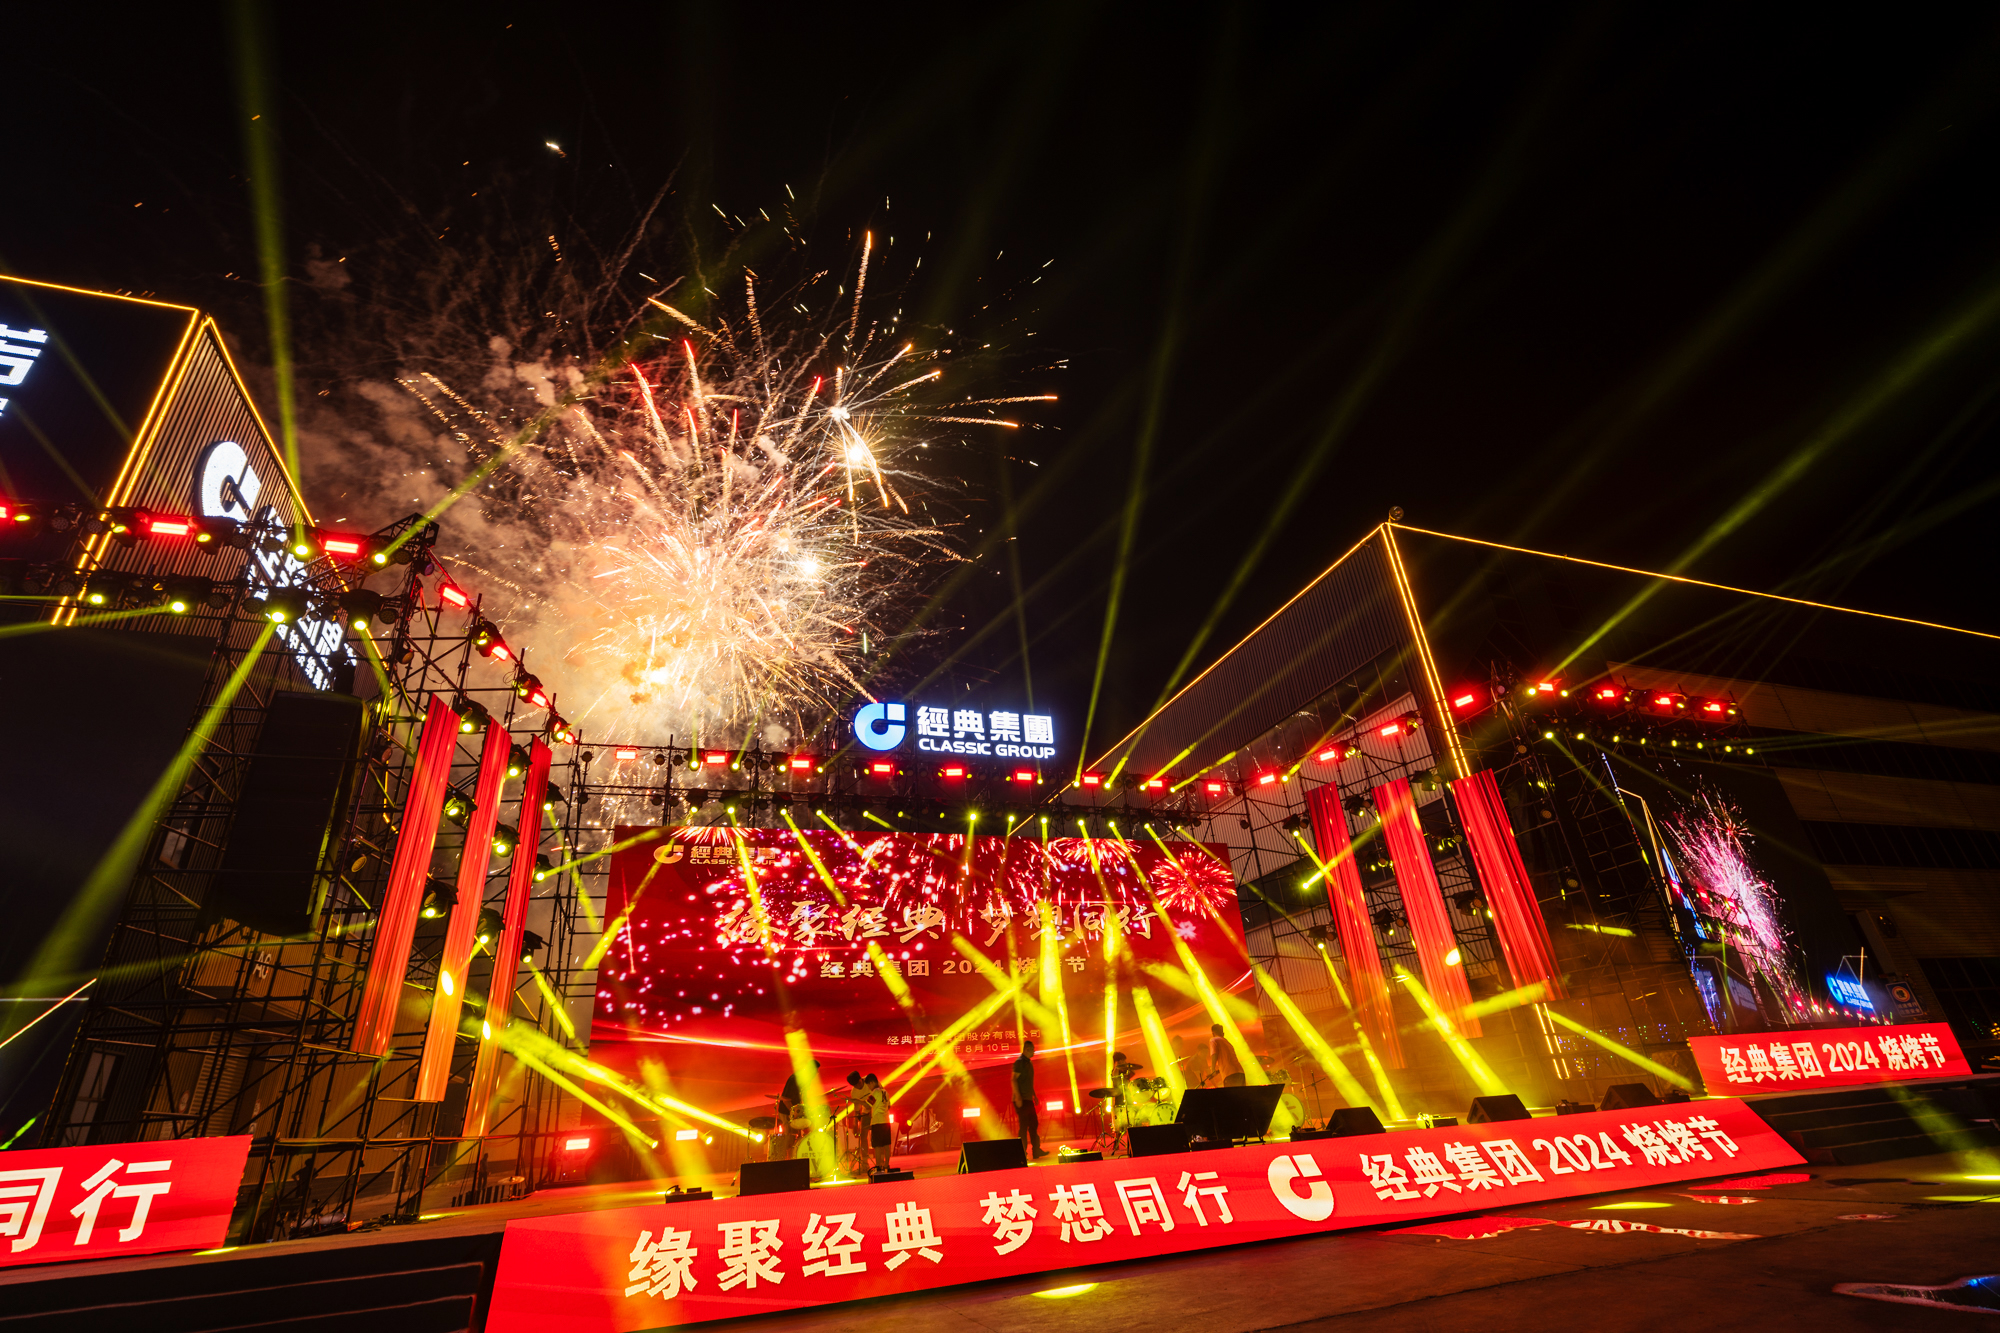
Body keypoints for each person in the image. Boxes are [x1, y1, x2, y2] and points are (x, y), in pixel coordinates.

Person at [1012, 1040, 1047, 1158]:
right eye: (1032, 1050)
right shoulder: (1019, 1062)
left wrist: (1034, 1095)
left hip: (1027, 1099)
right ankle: (1021, 1152)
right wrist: (1018, 1096)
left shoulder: (1029, 1063)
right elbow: (1013, 1079)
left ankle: (1036, 1150)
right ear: (1027, 1049)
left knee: (1033, 1124)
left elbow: (1028, 1082)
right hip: (1021, 1099)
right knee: (1024, 1125)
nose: (1034, 1052)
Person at [859, 1073, 892, 1173]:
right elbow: (889, 1106)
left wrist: (857, 1101)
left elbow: (867, 1105)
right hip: (886, 1121)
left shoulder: (874, 1092)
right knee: (886, 1145)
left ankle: (878, 1166)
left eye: (868, 1085)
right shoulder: (885, 1092)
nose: (869, 1088)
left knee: (877, 1146)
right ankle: (886, 1165)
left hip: (877, 1122)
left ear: (872, 1083)